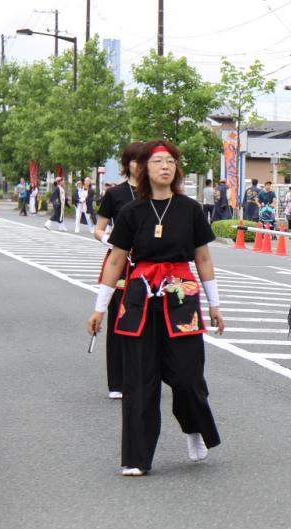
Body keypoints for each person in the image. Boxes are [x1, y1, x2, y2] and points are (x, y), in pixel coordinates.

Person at [87, 139, 224, 477]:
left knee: (188, 377)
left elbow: (203, 257)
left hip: (181, 296)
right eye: (158, 161)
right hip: (140, 299)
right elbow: (117, 260)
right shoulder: (131, 212)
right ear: (143, 169)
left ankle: (193, 429)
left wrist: (215, 304)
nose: (165, 166)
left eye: (171, 161)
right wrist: (99, 308)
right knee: (139, 381)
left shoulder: (189, 209)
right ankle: (136, 458)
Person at [94, 141, 144, 400]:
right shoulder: (115, 194)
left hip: (152, 264)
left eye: (144, 160)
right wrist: (112, 241)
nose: (140, 165)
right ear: (127, 164)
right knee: (117, 318)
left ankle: (146, 376)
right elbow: (98, 229)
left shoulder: (159, 192)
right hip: (122, 263)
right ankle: (117, 381)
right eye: (135, 160)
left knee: (150, 320)